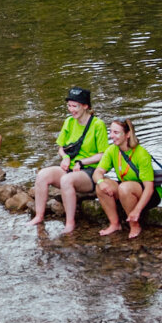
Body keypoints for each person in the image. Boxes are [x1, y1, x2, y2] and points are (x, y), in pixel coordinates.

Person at [31, 87, 108, 234]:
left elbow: (103, 155)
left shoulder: (98, 125)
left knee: (66, 180)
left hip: (90, 172)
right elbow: (61, 147)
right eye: (69, 106)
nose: (71, 109)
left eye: (75, 106)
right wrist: (65, 157)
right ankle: (39, 216)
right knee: (42, 175)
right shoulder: (69, 122)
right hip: (71, 168)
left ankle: (70, 223)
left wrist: (82, 162)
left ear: (85, 106)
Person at [93, 118, 161, 239]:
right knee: (101, 185)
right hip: (126, 188)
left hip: (149, 193)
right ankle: (115, 224)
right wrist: (101, 182)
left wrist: (137, 210)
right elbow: (97, 172)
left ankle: (134, 225)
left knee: (124, 187)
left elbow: (149, 188)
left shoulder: (141, 154)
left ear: (128, 134)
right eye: (111, 132)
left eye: (116, 132)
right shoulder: (112, 150)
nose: (111, 136)